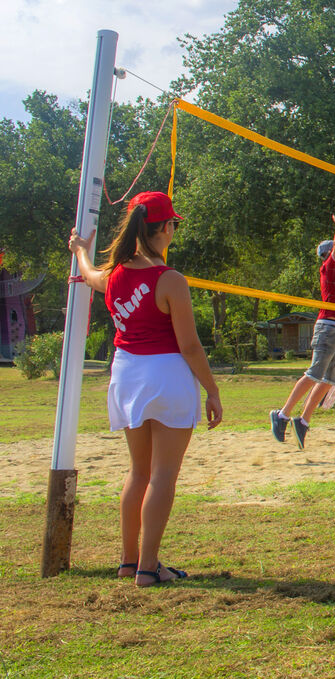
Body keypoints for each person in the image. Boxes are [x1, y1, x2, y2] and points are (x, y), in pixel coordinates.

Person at [68, 191, 222, 587]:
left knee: (138, 472)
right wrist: (213, 390)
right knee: (163, 475)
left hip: (126, 374)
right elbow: (189, 345)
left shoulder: (115, 274)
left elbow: (88, 275)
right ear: (165, 228)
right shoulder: (169, 279)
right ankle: (149, 567)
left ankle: (128, 560)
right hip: (166, 374)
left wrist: (80, 249)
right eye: (173, 224)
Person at [270, 215, 335, 450]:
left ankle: (302, 421)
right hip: (327, 328)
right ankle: (282, 415)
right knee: (314, 374)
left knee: (328, 380)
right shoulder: (331, 265)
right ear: (330, 253)